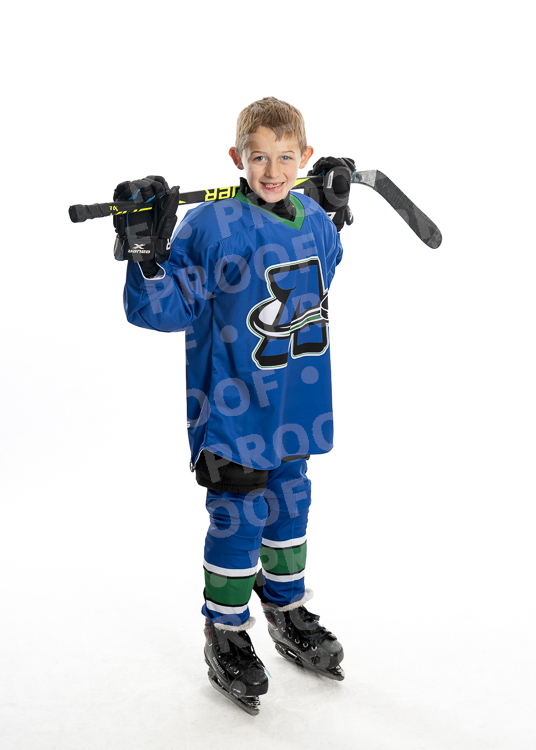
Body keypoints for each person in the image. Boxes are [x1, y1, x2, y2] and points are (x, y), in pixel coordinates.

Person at [113, 97, 355, 715]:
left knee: (291, 508)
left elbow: (324, 265)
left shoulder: (312, 219)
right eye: (259, 158)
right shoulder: (212, 226)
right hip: (234, 411)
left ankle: (287, 608)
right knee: (238, 518)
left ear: (304, 157)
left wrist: (331, 204)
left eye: (287, 158)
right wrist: (146, 253)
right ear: (236, 158)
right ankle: (224, 630)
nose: (273, 171)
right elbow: (165, 310)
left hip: (295, 407)